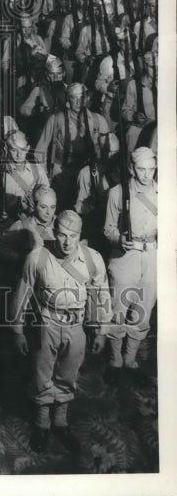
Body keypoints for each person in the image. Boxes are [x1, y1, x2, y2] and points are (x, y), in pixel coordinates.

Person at [11, 209, 110, 452]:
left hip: (76, 325)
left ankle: (60, 420)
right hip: (47, 322)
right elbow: (22, 293)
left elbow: (101, 295)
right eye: (62, 235)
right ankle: (42, 423)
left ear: (80, 235)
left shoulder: (92, 258)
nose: (67, 242)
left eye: (73, 236)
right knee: (42, 371)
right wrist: (18, 330)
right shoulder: (38, 257)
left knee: (69, 372)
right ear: (54, 233)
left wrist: (102, 330)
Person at [104, 146, 157, 378]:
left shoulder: (163, 193)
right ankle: (115, 357)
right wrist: (119, 238)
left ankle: (131, 357)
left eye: (151, 169)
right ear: (131, 169)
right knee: (119, 308)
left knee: (144, 309)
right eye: (142, 169)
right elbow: (108, 228)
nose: (147, 175)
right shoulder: (117, 193)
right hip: (126, 255)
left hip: (152, 254)